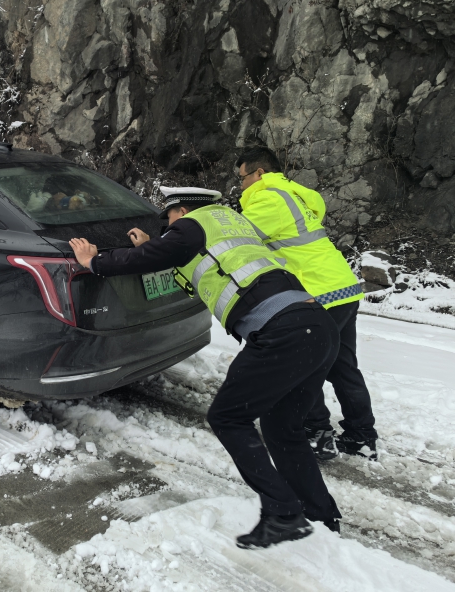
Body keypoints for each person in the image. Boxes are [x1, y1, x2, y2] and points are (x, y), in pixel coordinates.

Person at [69, 187, 342, 549]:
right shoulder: (233, 223)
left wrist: (94, 262)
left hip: (282, 332)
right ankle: (322, 518)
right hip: (316, 326)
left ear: (180, 210)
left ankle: (283, 513)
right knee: (283, 429)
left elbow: (160, 252)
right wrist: (152, 246)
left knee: (228, 417)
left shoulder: (194, 222)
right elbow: (197, 267)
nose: (168, 229)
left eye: (167, 221)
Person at [235, 147, 378, 461]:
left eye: (242, 177)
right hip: (342, 288)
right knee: (343, 368)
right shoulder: (295, 194)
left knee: (298, 367)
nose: (240, 185)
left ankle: (317, 435)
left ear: (258, 173)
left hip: (319, 293)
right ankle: (361, 436)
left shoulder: (268, 199)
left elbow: (236, 238)